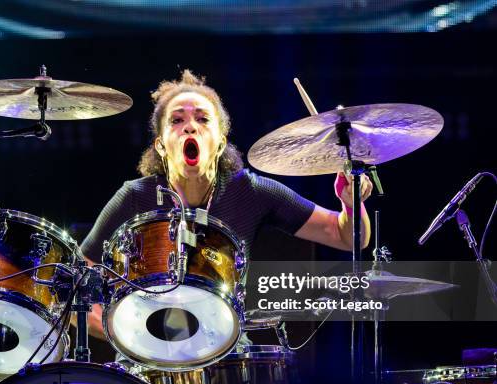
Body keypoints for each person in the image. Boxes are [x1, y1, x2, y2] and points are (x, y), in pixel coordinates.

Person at [80, 70, 373, 340]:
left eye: (203, 119)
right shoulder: (135, 196)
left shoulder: (251, 191)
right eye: (177, 120)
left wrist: (351, 203)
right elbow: (79, 274)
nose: (190, 128)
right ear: (160, 145)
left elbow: (346, 236)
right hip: (152, 355)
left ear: (220, 143)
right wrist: (124, 335)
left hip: (226, 349)